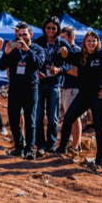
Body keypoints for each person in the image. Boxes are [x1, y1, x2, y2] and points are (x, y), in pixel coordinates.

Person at [57, 32, 102, 168]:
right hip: (83, 95)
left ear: (97, 42)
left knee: (99, 127)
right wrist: (63, 52)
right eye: (88, 41)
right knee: (68, 118)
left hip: (98, 96)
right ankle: (62, 148)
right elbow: (67, 56)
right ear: (84, 43)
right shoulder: (81, 55)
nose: (91, 43)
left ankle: (100, 158)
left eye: (93, 41)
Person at [0, 22, 45, 160]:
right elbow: (1, 66)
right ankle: (19, 147)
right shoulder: (12, 48)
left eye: (24, 34)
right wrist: (6, 54)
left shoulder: (37, 49)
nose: (21, 37)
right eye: (19, 35)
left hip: (30, 87)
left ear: (30, 35)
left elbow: (39, 64)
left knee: (30, 120)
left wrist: (27, 51)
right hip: (14, 87)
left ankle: (30, 150)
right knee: (13, 119)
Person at [34, 16, 72, 157]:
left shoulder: (63, 44)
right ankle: (40, 145)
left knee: (53, 118)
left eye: (54, 28)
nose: (50, 30)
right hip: (38, 84)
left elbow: (71, 62)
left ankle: (51, 144)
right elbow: (29, 58)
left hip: (54, 85)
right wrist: (36, 71)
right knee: (38, 117)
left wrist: (59, 70)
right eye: (48, 27)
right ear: (44, 28)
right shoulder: (37, 42)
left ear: (58, 30)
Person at [59, 26, 83, 153]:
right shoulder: (66, 51)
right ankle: (76, 145)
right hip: (68, 88)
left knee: (74, 117)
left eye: (63, 38)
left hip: (75, 88)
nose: (61, 40)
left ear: (71, 37)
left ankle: (75, 147)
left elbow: (79, 72)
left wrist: (62, 67)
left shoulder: (76, 51)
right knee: (70, 117)